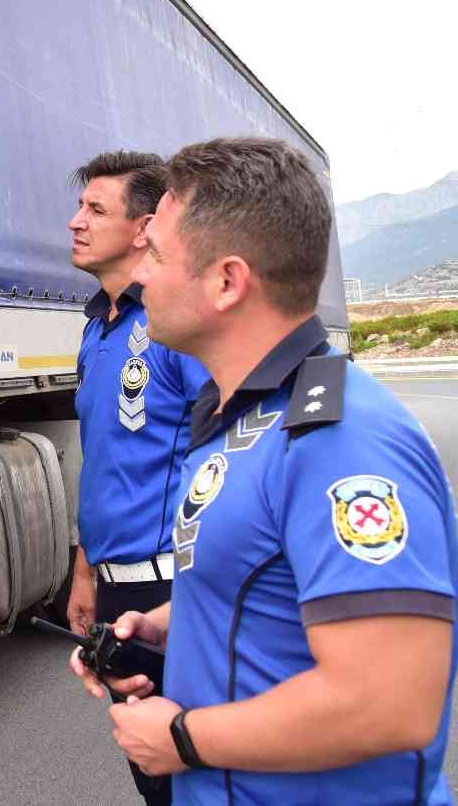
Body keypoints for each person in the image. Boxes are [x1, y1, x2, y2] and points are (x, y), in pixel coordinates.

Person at [72, 137, 458, 805]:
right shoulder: (238, 419)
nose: (142, 278)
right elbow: (276, 585)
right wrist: (174, 624)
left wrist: (183, 738)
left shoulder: (340, 439)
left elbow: (392, 705)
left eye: (155, 255)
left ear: (227, 281)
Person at [65, 151, 211, 805]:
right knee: (150, 769)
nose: (76, 222)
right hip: (120, 595)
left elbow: (227, 455)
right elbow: (105, 461)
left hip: (176, 584)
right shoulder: (98, 327)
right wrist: (84, 568)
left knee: (194, 768)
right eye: (79, 206)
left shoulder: (177, 326)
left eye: (96, 209)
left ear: (145, 226)